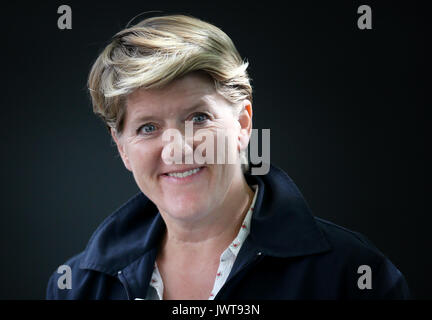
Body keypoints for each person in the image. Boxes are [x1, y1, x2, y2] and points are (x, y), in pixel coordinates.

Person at [46, 14, 410, 300]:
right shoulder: (76, 287)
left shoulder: (352, 275)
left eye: (197, 118)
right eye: (147, 127)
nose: (177, 148)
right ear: (122, 147)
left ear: (242, 124)